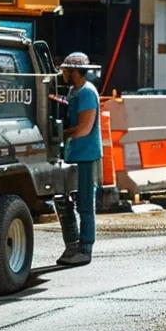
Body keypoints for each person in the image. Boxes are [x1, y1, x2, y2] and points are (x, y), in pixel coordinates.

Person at [52, 52, 101, 266]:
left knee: (85, 205)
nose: (62, 73)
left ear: (75, 72)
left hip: (86, 156)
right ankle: (73, 246)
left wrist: (60, 133)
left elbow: (84, 128)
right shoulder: (74, 91)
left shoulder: (88, 93)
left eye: (65, 70)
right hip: (74, 155)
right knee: (68, 203)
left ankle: (85, 248)